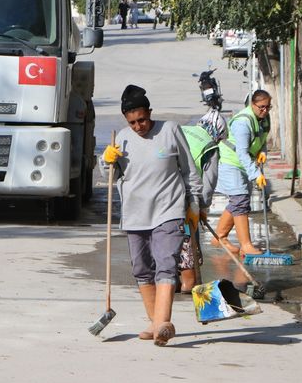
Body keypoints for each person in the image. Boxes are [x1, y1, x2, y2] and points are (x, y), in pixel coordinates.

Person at [102, 85, 203, 346]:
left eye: (142, 119)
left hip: (168, 209)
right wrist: (106, 161)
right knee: (141, 268)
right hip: (135, 213)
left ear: (150, 112)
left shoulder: (169, 130)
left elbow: (189, 170)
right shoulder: (121, 138)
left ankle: (162, 324)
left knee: (166, 262)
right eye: (133, 122)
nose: (138, 126)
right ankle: (155, 322)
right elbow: (108, 177)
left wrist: (194, 203)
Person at [212, 89, 272, 256]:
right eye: (261, 107)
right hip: (231, 162)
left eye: (268, 107)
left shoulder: (264, 118)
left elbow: (262, 137)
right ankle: (246, 245)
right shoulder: (243, 123)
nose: (265, 110)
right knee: (240, 200)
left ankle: (220, 237)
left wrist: (263, 151)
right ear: (252, 105)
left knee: (239, 201)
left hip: (244, 164)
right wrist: (256, 174)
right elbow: (242, 152)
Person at [177, 111, 225, 293]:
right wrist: (202, 207)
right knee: (190, 240)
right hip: (188, 195)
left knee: (169, 238)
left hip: (165, 191)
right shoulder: (210, 146)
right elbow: (209, 182)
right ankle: (191, 285)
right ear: (217, 133)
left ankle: (171, 282)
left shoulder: (182, 130)